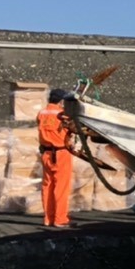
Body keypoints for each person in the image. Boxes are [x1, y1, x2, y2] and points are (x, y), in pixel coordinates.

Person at [37, 87, 77, 228]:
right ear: (61, 101)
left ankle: (49, 218)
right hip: (61, 153)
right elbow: (74, 127)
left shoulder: (42, 113)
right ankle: (60, 219)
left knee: (47, 186)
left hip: (46, 153)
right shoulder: (63, 114)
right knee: (61, 187)